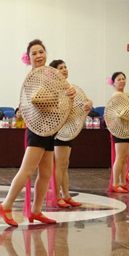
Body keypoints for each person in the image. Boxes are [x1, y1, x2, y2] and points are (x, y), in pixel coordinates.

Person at [0, 40, 76, 226]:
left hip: (50, 128)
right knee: (27, 170)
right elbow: (36, 102)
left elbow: (64, 93)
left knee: (46, 172)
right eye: (34, 53)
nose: (39, 55)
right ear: (28, 57)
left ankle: (36, 211)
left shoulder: (51, 75)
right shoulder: (32, 77)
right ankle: (6, 205)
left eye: (41, 52)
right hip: (37, 129)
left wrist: (69, 92)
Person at [49, 59, 92, 208]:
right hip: (58, 131)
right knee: (59, 165)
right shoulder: (53, 90)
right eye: (61, 68)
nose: (65, 70)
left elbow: (81, 104)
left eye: (65, 67)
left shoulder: (72, 89)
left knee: (65, 164)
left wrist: (89, 104)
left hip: (69, 130)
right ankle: (56, 196)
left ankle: (66, 195)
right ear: (55, 72)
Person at [107, 72, 129, 193]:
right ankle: (115, 183)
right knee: (120, 157)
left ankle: (123, 182)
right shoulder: (116, 95)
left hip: (126, 128)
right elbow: (117, 113)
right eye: (119, 79)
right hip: (119, 128)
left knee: (124, 157)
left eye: (123, 79)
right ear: (114, 82)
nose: (122, 81)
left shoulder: (123, 95)